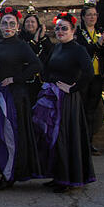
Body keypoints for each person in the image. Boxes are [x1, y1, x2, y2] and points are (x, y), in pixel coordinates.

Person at [33, 12, 95, 193]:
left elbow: (89, 73)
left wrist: (72, 88)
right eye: (58, 28)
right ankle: (56, 175)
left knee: (62, 137)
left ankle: (67, 178)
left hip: (67, 101)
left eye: (64, 28)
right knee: (51, 135)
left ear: (73, 31)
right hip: (53, 96)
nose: (60, 31)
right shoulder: (57, 48)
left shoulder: (78, 49)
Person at [0, 6, 43, 190]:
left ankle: (9, 174)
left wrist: (16, 79)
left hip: (14, 96)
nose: (7, 26)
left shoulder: (21, 45)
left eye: (11, 23)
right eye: (4, 23)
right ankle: (0, 168)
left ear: (18, 27)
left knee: (9, 134)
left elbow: (36, 65)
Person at [77, 3, 104, 155]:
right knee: (81, 110)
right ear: (83, 17)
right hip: (83, 77)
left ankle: (89, 142)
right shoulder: (78, 33)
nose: (92, 17)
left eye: (94, 14)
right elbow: (82, 52)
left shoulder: (101, 32)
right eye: (89, 14)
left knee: (92, 111)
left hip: (97, 77)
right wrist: (97, 45)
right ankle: (79, 142)